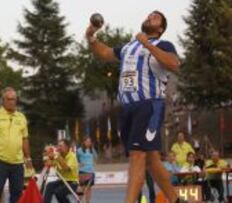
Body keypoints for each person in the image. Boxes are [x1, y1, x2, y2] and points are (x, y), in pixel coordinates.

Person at [86, 10, 181, 203]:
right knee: (151, 161)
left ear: (160, 28)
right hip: (128, 108)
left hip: (149, 105)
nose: (149, 17)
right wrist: (91, 37)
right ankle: (176, 199)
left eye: (155, 17)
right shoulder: (129, 47)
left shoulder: (162, 44)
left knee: (137, 156)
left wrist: (147, 43)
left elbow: (174, 63)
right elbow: (104, 52)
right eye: (149, 15)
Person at [0, 87, 33, 203]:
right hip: (0, 161)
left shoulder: (21, 117)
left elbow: (25, 139)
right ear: (3, 100)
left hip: (18, 163)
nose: (12, 102)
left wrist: (28, 158)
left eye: (14, 99)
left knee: (17, 194)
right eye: (9, 99)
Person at [44, 139, 79, 203]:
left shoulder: (72, 156)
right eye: (58, 146)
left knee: (59, 192)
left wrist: (58, 157)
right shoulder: (57, 155)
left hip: (72, 182)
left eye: (61, 146)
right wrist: (48, 156)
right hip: (62, 181)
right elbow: (48, 164)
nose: (59, 148)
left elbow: (66, 169)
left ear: (67, 147)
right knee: (49, 186)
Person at [76, 136, 98, 203]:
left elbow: (96, 157)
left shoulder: (92, 150)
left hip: (91, 172)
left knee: (89, 188)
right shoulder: (79, 150)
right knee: (81, 188)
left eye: (90, 142)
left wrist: (91, 164)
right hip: (82, 171)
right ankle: (79, 201)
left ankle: (87, 201)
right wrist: (80, 163)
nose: (88, 143)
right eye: (87, 141)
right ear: (84, 142)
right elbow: (76, 158)